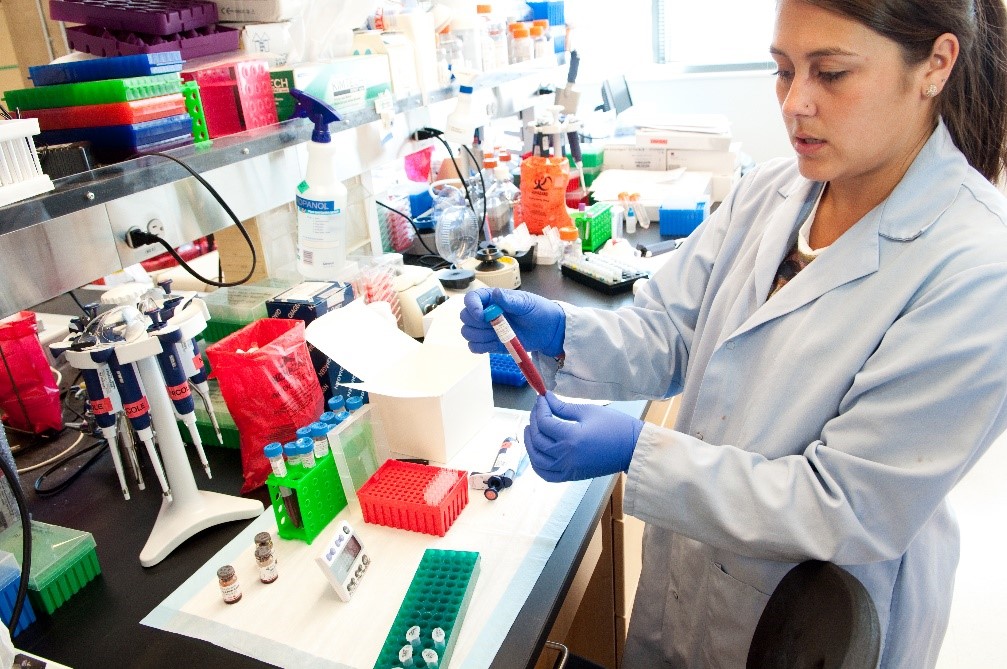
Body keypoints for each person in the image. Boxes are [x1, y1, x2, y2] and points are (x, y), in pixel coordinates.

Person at [460, 0, 1007, 666]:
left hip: (809, 620)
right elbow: (672, 332)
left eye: (829, 73)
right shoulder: (771, 193)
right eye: (782, 70)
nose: (794, 102)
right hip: (691, 577)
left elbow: (843, 504)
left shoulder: (977, 269)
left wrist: (641, 450)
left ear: (935, 65)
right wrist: (562, 333)